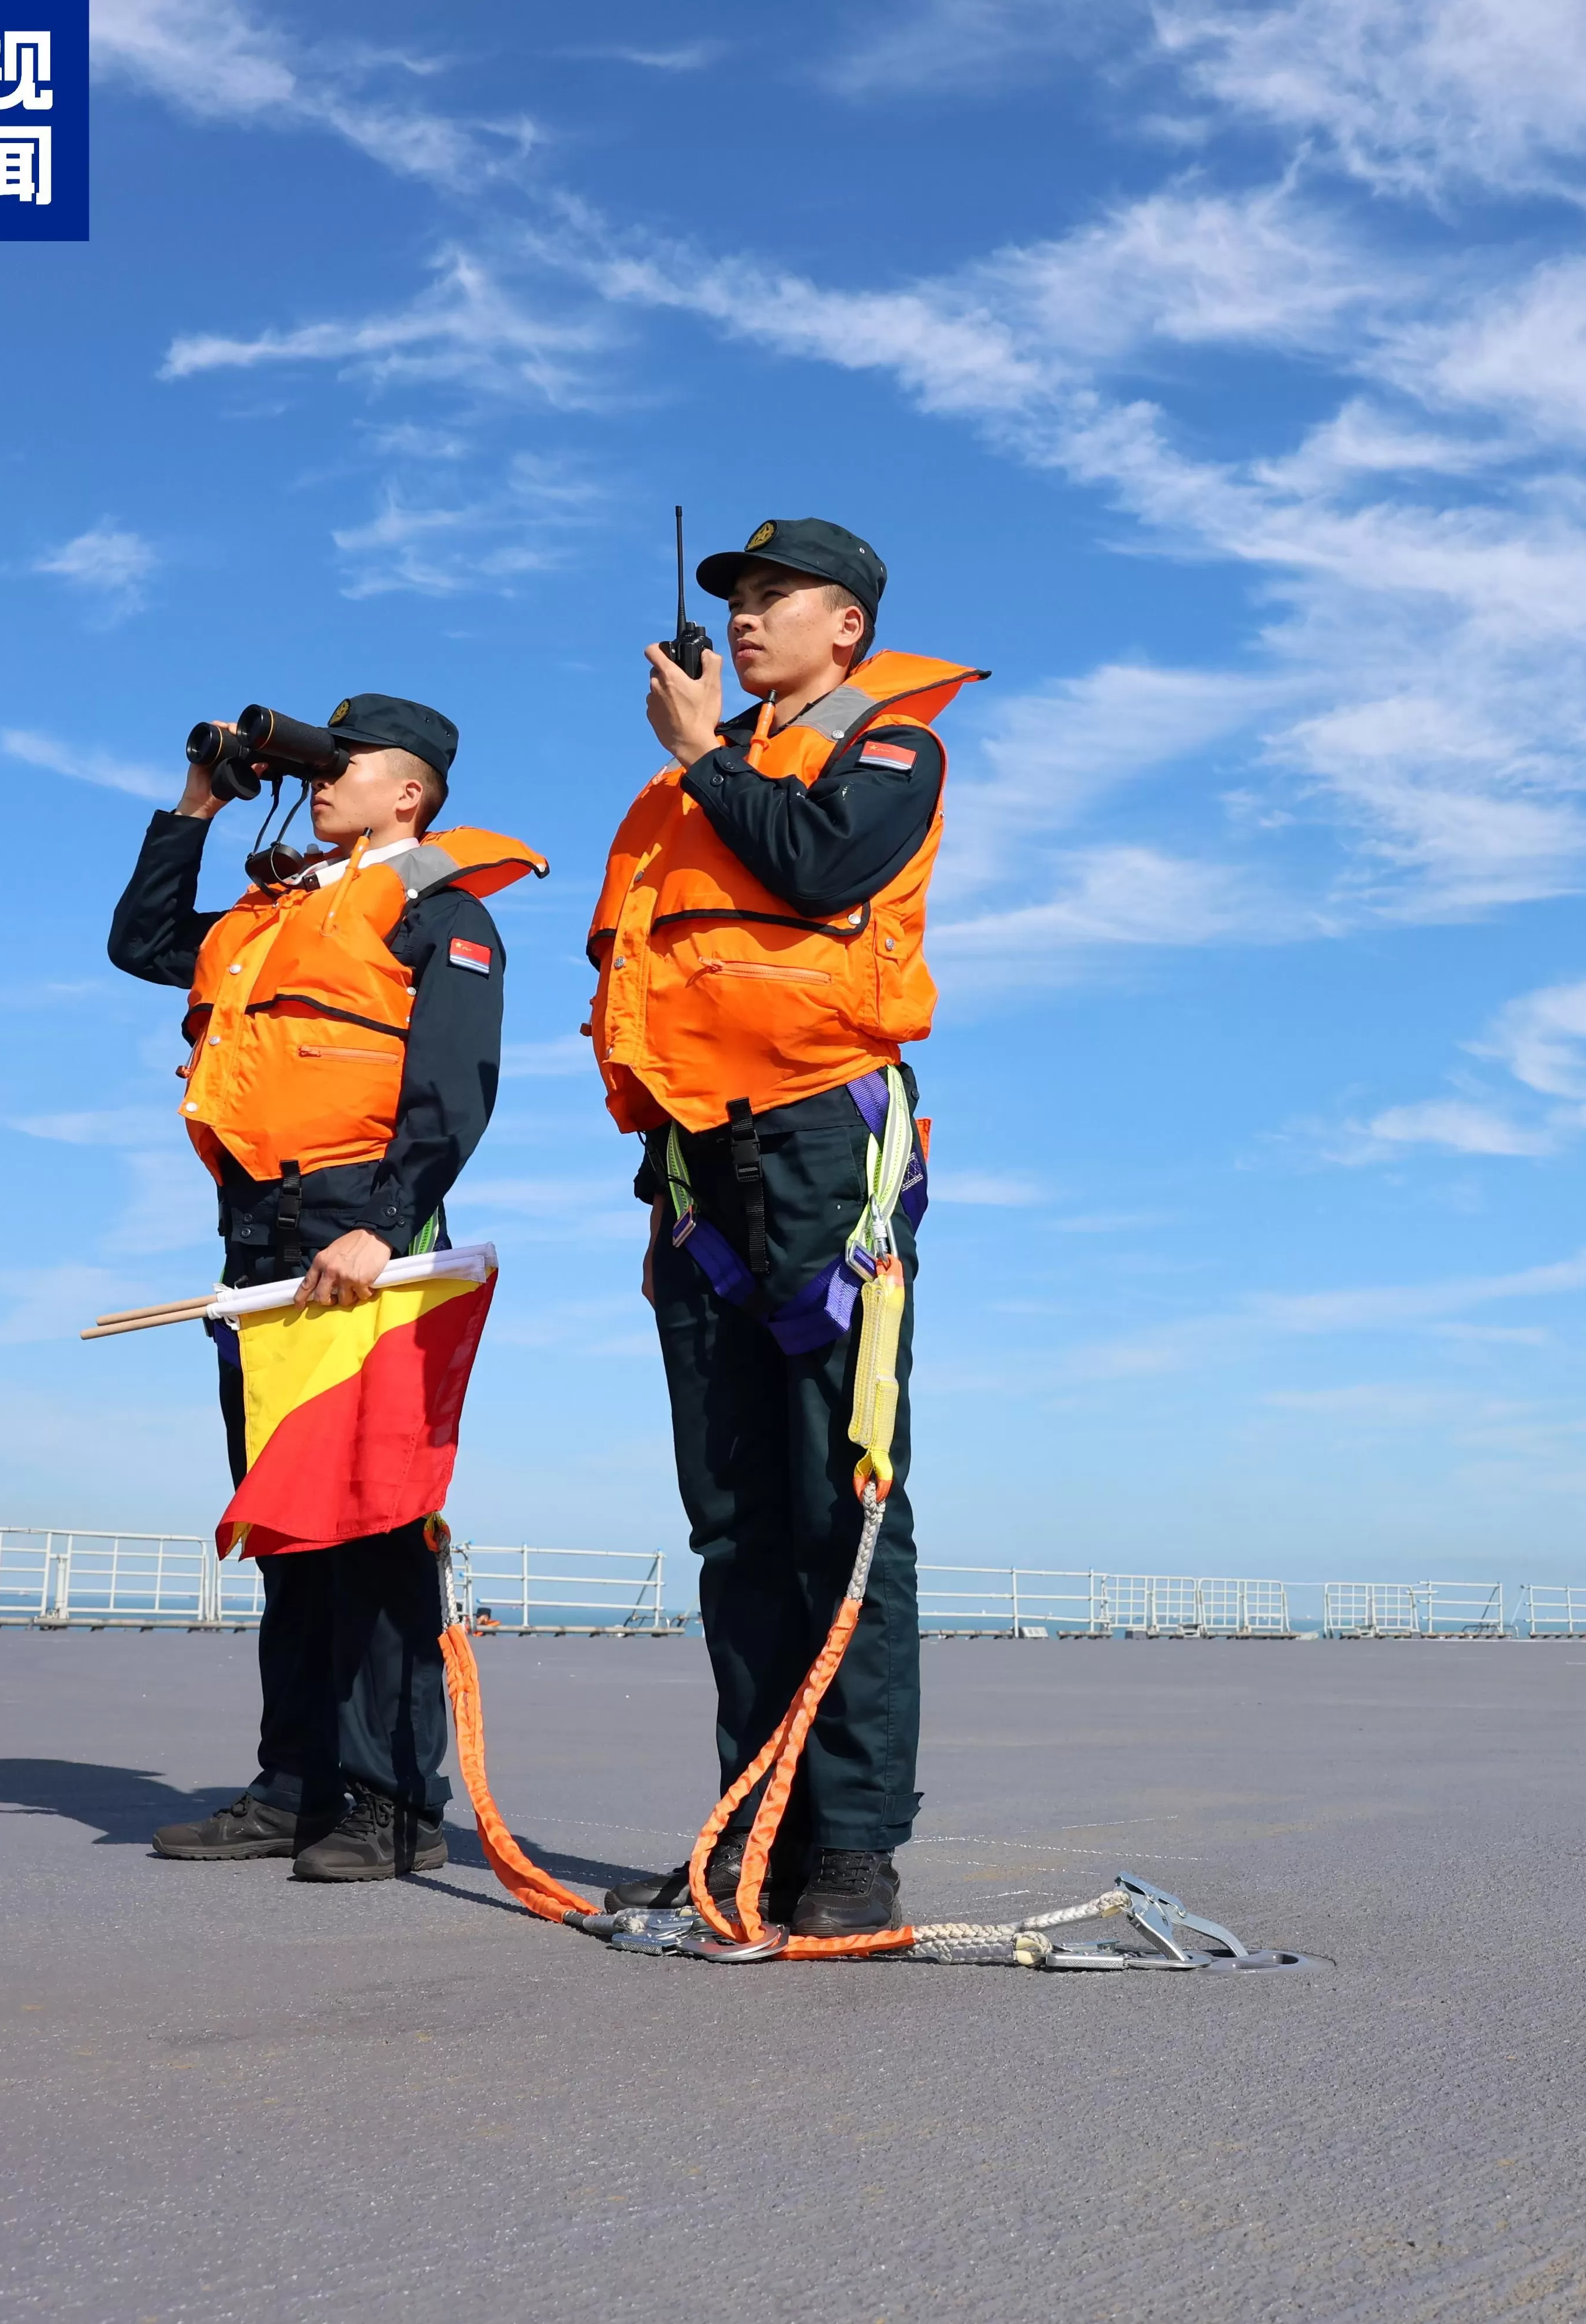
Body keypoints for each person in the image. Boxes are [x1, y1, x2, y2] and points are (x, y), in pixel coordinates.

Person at [586, 519, 980, 1938]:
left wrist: (706, 753)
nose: (744, 619)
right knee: (734, 1521)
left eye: (773, 597)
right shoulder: (680, 789)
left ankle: (853, 1847)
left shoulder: (888, 748)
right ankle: (751, 1833)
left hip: (825, 1149)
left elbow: (821, 869)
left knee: (841, 1498)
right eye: (734, 601)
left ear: (846, 627)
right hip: (696, 1168)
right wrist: (702, 764)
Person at [106, 694, 545, 1881]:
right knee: (288, 1526)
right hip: (257, 1237)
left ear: (408, 792)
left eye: (344, 764)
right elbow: (144, 944)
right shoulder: (277, 913)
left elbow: (454, 1087)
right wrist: (199, 804)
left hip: (362, 1237)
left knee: (371, 1526)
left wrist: (382, 1228)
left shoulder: (440, 912)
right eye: (319, 762)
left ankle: (391, 1802)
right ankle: (295, 1783)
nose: (321, 778)